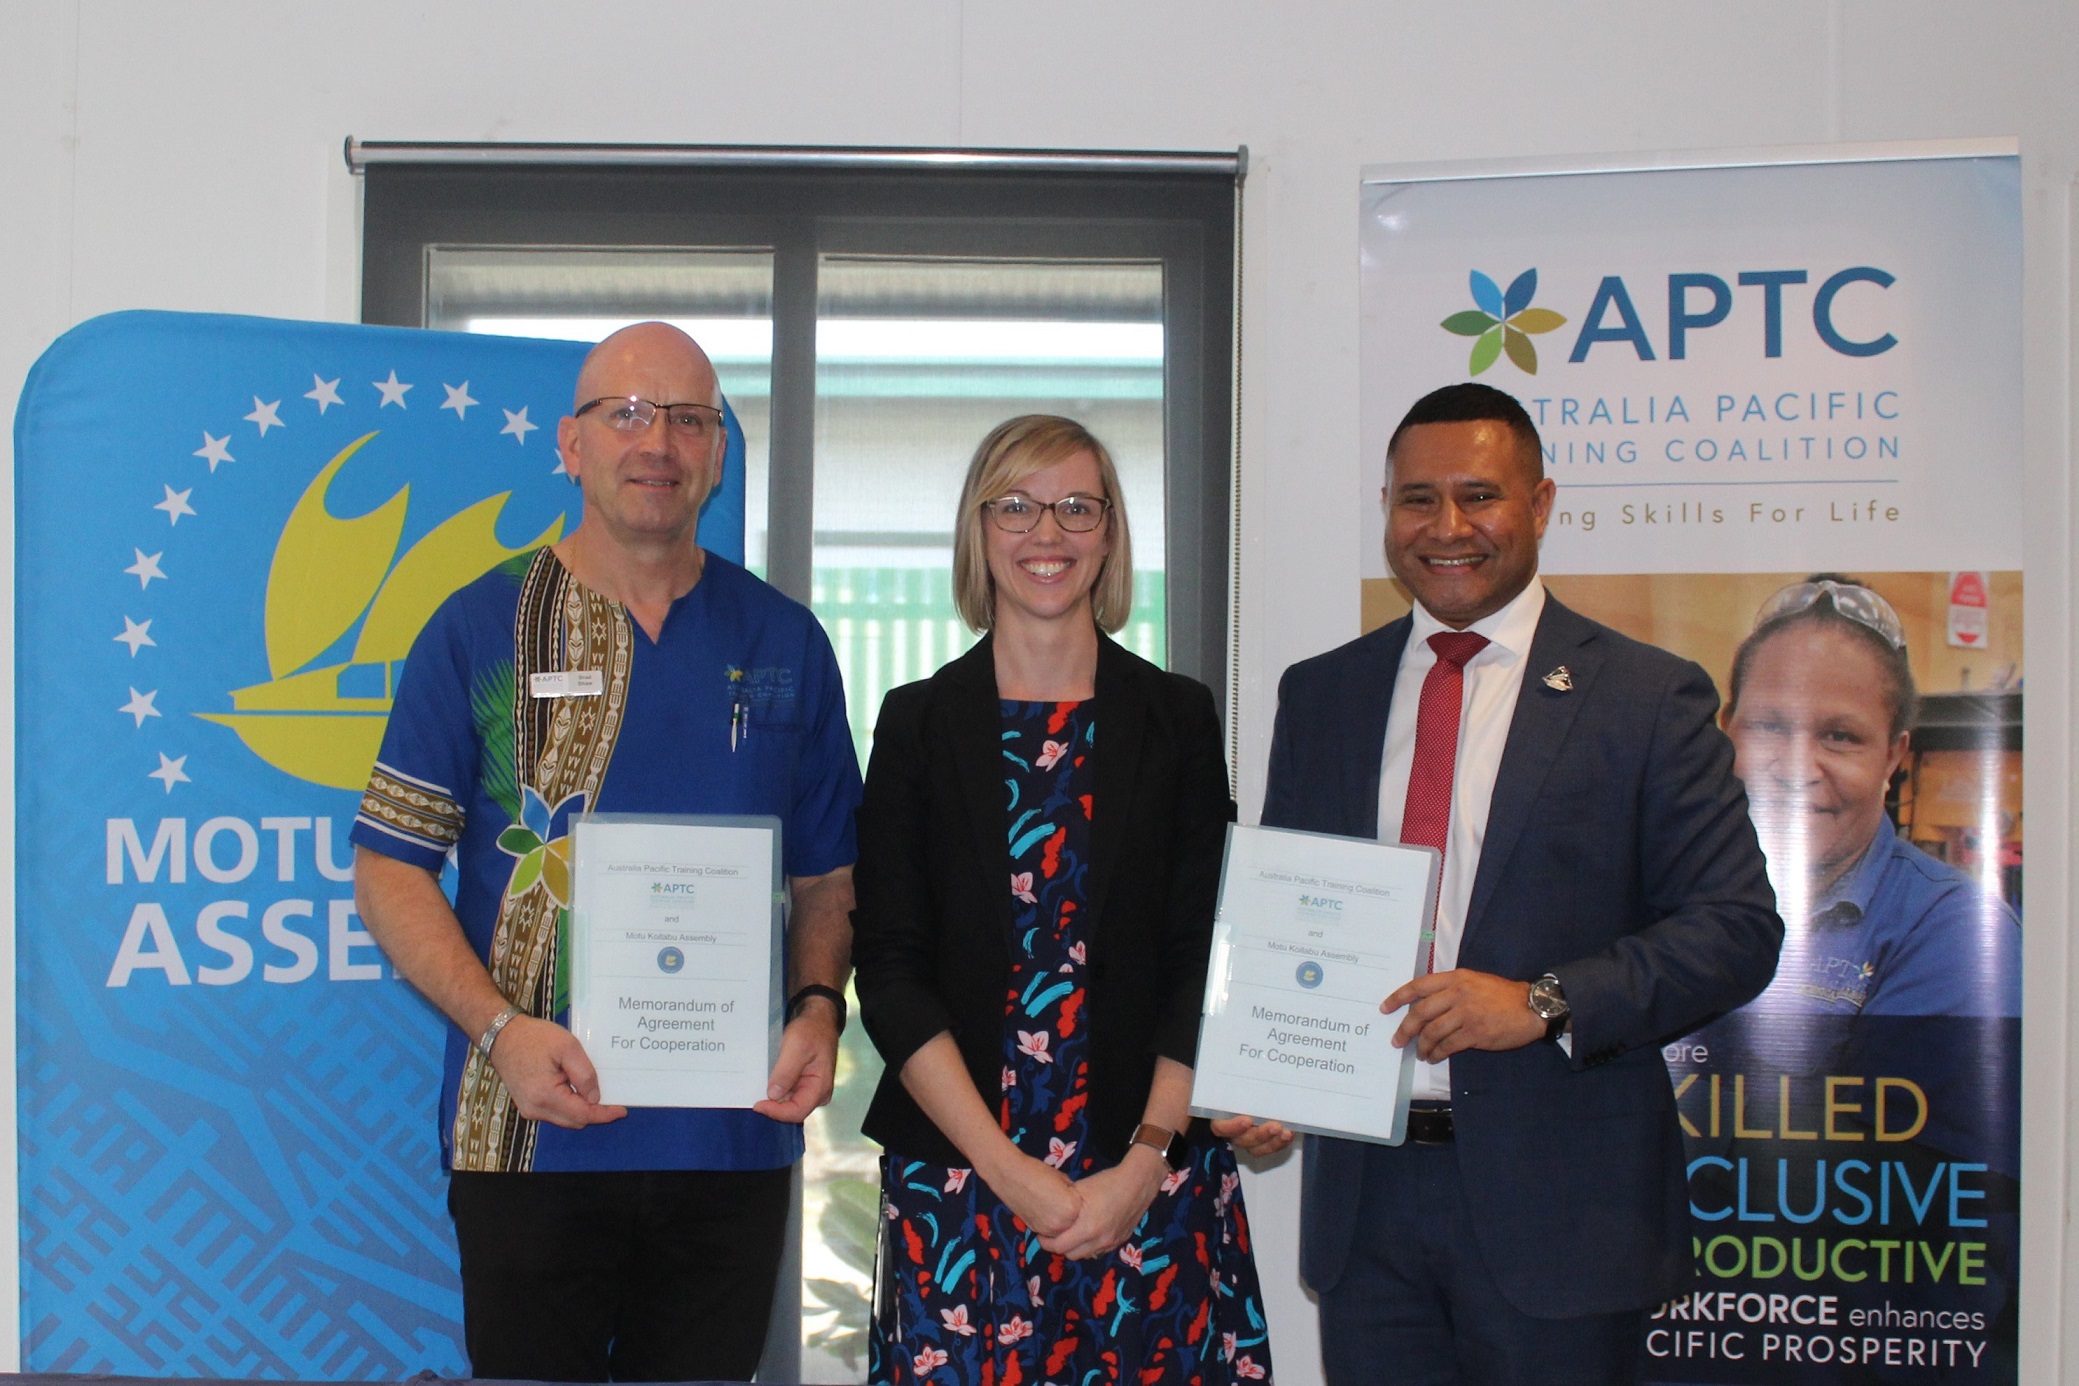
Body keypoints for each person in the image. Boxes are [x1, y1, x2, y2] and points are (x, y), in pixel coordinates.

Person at [351, 322, 861, 1382]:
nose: (657, 443)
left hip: (732, 1141)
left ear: (717, 454)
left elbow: (827, 875)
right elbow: (389, 865)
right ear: (570, 445)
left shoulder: (785, 643)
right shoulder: (477, 630)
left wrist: (817, 1007)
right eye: (625, 413)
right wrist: (498, 1031)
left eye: (687, 419)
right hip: (528, 1135)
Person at [1253, 382, 1782, 1385]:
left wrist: (1543, 1003)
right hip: (1368, 1208)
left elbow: (1737, 928)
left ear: (1539, 505)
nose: (1446, 529)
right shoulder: (1323, 695)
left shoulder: (1644, 695)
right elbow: (1295, 920)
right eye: (1417, 500)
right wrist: (1270, 1073)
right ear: (1386, 511)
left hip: (1563, 1208)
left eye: (1477, 496)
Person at [852, 415, 1279, 1386]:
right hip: (963, 1186)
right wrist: (1009, 1174)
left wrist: (1146, 1158)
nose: (1047, 533)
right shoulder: (915, 724)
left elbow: (1202, 950)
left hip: (1148, 1175)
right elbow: (891, 970)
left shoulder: (1176, 717)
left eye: (1076, 507)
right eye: (1017, 506)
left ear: (1111, 533)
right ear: (979, 530)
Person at [1717, 574, 2023, 1167]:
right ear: (1727, 729)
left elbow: (1889, 1193)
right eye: (1770, 725)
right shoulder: (1652, 892)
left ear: (1893, 757)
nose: (1796, 767)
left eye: (1840, 735)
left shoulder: (1952, 934)